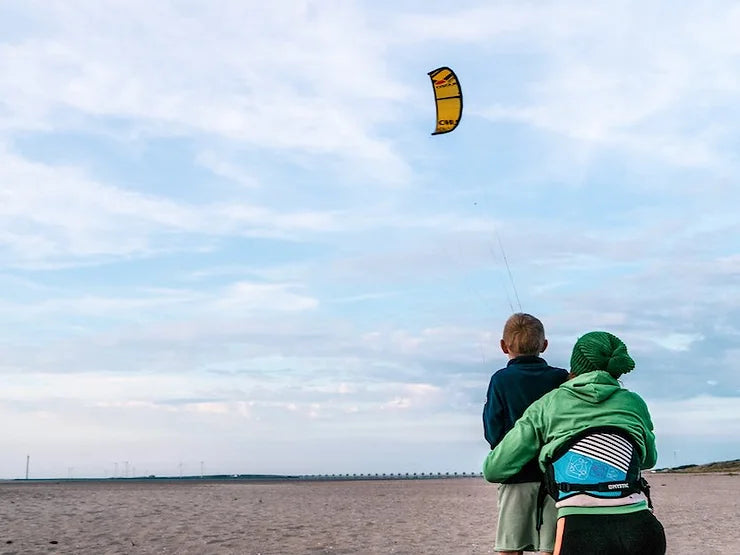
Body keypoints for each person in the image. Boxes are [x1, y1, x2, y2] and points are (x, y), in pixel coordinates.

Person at [483, 331, 666, 555]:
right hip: (641, 528)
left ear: (574, 367)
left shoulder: (548, 404)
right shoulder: (634, 402)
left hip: (580, 531)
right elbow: (648, 459)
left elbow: (494, 469)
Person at [483, 313, 568, 555]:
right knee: (551, 548)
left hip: (516, 474)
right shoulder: (560, 377)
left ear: (503, 346)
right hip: (555, 475)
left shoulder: (500, 380)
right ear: (544, 345)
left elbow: (493, 433)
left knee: (510, 547)